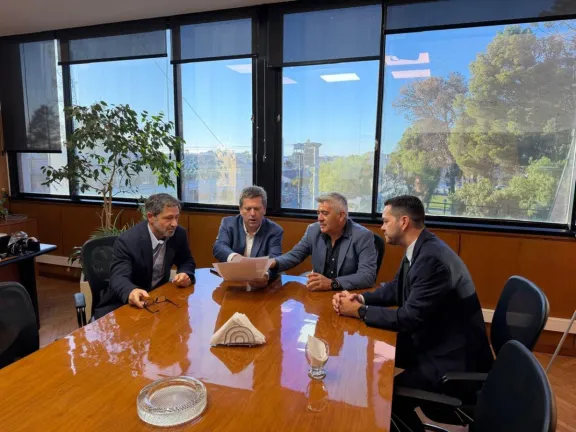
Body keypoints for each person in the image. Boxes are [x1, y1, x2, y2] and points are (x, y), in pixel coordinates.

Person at [333, 195, 492, 431]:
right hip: (436, 339)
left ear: (404, 222)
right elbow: (395, 288)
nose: (382, 227)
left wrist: (360, 312)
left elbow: (408, 318)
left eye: (386, 221)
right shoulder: (420, 248)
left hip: (452, 359)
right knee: (374, 357)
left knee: (389, 396)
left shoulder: (431, 260)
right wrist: (361, 299)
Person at [95, 193, 196, 318]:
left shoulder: (178, 234)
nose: (174, 223)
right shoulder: (128, 241)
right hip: (124, 304)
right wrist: (131, 291)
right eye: (169, 218)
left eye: (177, 217)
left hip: (157, 299)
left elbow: (186, 260)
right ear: (151, 217)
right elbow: (118, 277)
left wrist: (185, 273)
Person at [271, 192, 377, 291]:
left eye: (325, 213)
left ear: (341, 216)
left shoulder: (363, 236)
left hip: (347, 294)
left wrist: (332, 283)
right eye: (318, 213)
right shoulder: (313, 230)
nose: (319, 218)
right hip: (319, 294)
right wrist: (273, 262)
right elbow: (294, 256)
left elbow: (367, 276)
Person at [213, 186, 283, 283]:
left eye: (257, 209)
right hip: (233, 281)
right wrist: (236, 258)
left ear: (264, 210)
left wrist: (265, 276)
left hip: (260, 284)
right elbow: (219, 247)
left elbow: (275, 259)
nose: (252, 213)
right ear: (241, 210)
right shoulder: (228, 224)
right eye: (248, 209)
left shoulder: (275, 230)